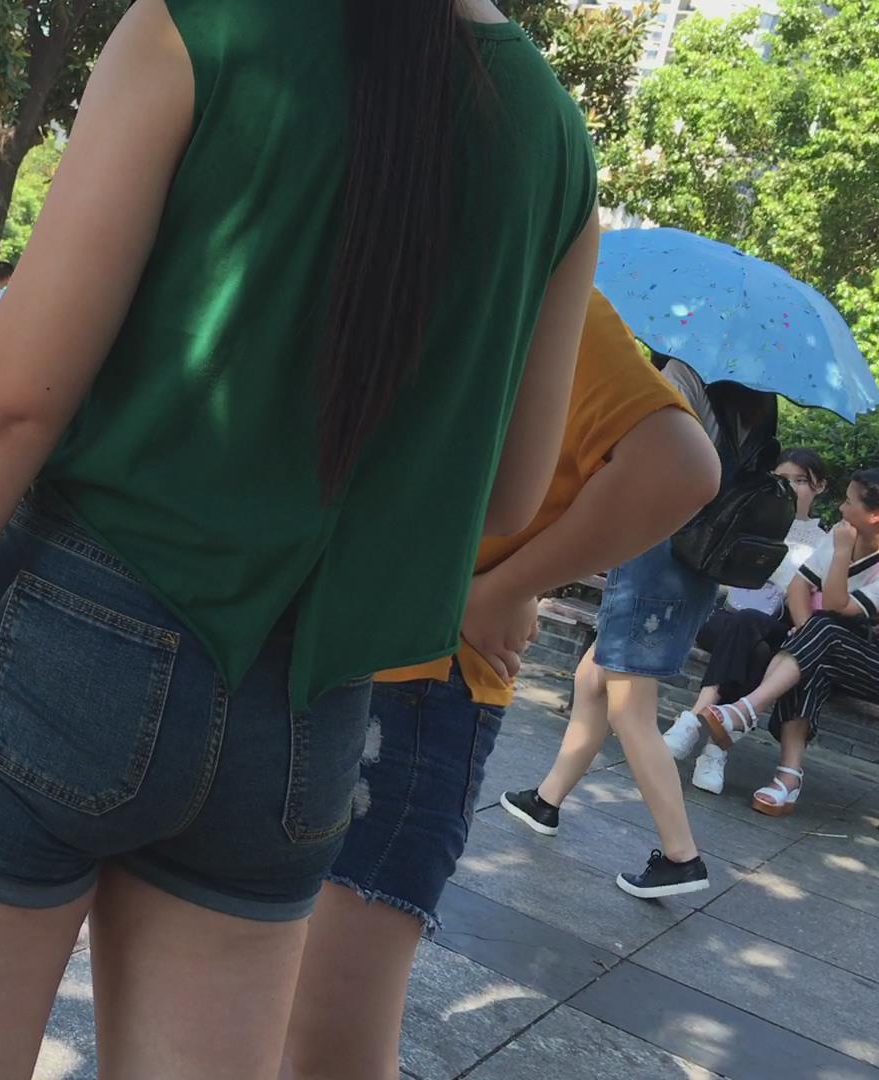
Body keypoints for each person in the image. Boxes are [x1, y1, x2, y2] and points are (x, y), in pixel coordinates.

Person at [0, 1, 601, 1075]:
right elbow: (507, 494)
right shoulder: (554, 137)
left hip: (69, 642)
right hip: (305, 713)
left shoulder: (203, 25)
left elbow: (11, 403)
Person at [282, 290, 720, 1080]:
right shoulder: (532, 286)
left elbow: (678, 466)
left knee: (303, 1027)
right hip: (395, 682)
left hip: (364, 674)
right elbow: (675, 465)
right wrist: (498, 589)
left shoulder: (521, 285)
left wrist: (493, 590)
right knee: (308, 1030)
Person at [499, 357, 772, 900]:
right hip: (692, 571)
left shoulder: (681, 376)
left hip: (655, 568)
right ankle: (547, 800)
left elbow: (639, 457)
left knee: (631, 712)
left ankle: (681, 856)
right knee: (592, 680)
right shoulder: (753, 397)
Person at [664, 468, 879, 816]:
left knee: (818, 639)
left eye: (849, 501)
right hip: (834, 644)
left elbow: (836, 604)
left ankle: (744, 712)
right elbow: (799, 585)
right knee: (752, 623)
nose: (841, 508)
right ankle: (787, 779)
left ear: (876, 515)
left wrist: (841, 553)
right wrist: (808, 633)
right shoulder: (844, 534)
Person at [665, 448, 831, 794]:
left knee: (757, 642)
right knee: (749, 636)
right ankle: (715, 752)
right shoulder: (752, 519)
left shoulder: (826, 542)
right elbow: (720, 574)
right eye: (782, 479)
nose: (791, 488)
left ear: (820, 487)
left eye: (801, 481)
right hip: (725, 617)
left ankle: (694, 720)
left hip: (776, 629)